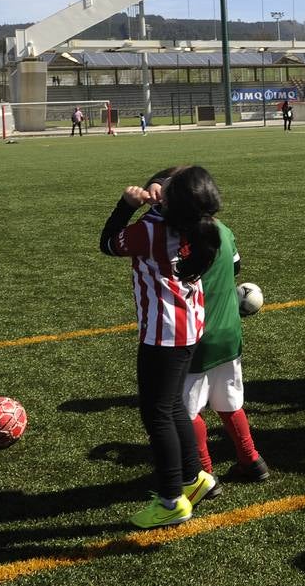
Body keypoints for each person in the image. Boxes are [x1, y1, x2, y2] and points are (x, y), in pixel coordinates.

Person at [119, 168, 273, 485]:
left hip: (193, 335)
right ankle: (252, 460)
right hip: (230, 332)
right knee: (230, 402)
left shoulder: (174, 238)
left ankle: (202, 469)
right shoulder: (222, 231)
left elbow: (119, 244)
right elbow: (236, 267)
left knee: (186, 411)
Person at [99, 165, 222, 528]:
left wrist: (125, 205)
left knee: (156, 414)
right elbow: (181, 179)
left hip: (163, 333)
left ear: (169, 200)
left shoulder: (151, 229)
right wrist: (158, 191)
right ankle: (195, 477)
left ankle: (171, 501)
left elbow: (107, 243)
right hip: (188, 326)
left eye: (165, 187)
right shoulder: (195, 222)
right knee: (172, 407)